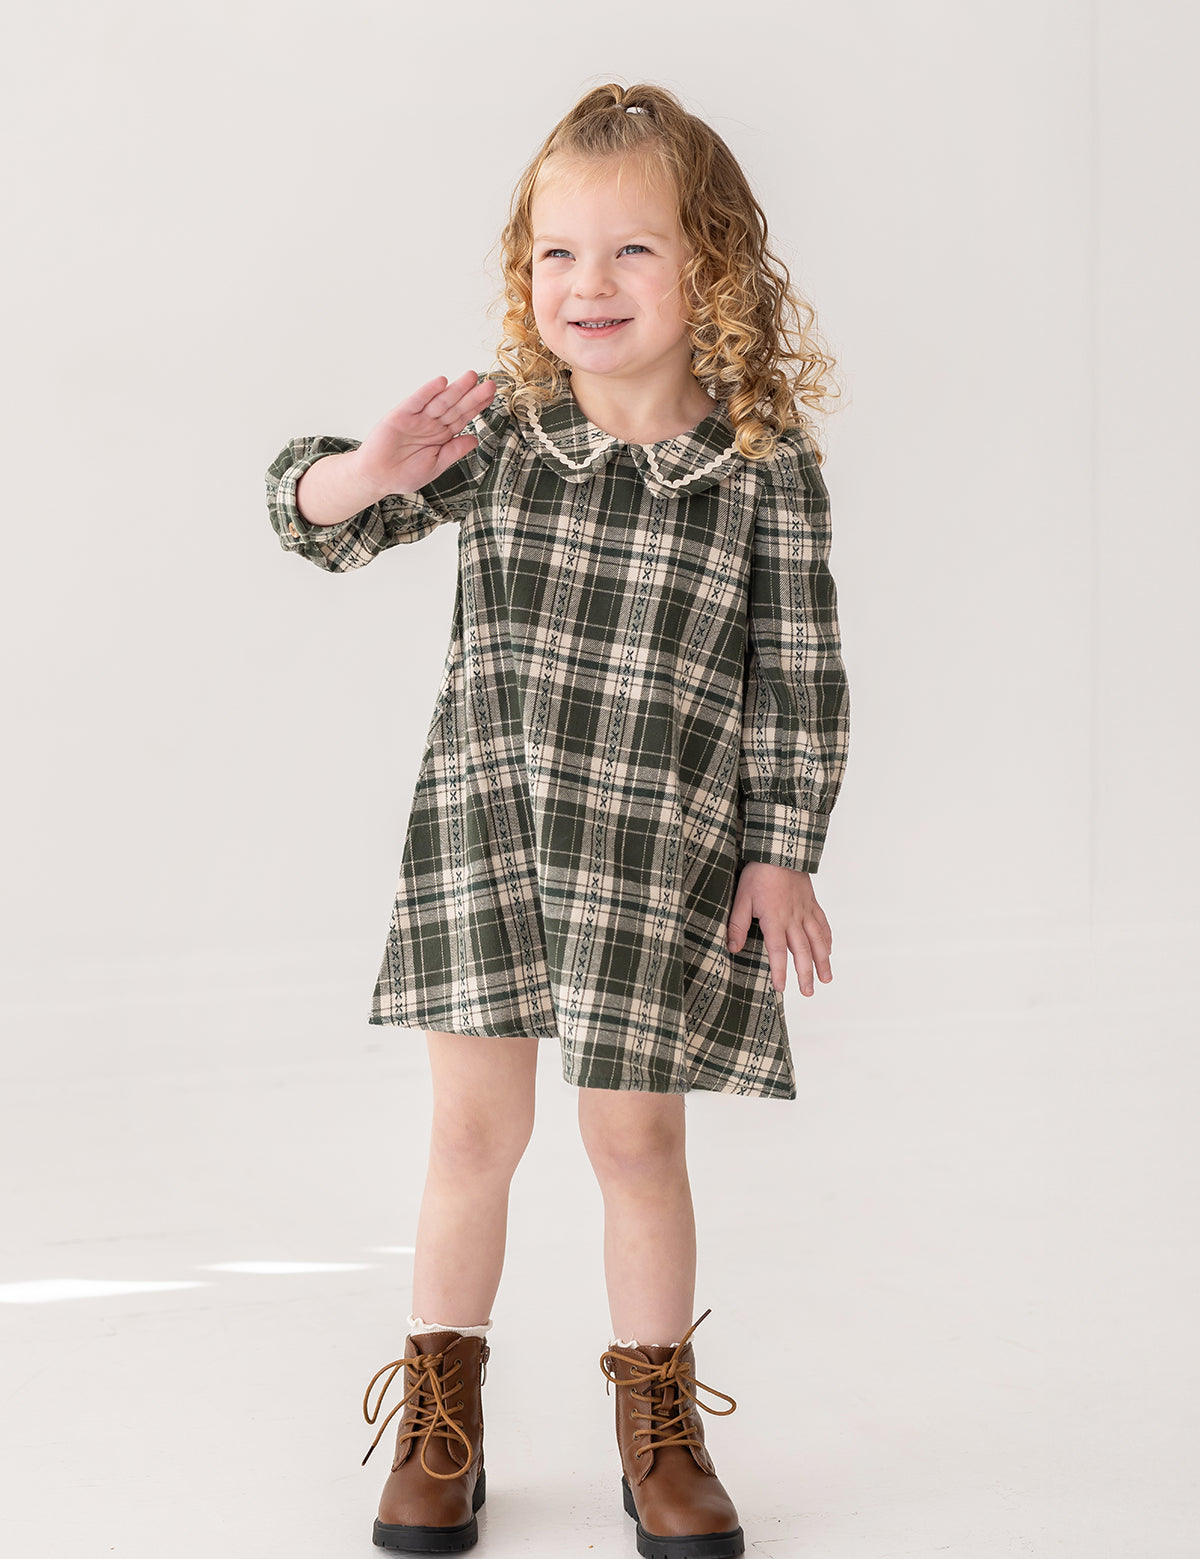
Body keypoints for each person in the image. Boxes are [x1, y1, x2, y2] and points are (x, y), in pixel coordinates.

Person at [264, 81, 850, 1558]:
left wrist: (782, 848)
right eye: (555, 256)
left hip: (661, 857)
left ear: (710, 267)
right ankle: (438, 1419)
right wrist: (369, 469)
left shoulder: (762, 468)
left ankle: (659, 1430)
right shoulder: (507, 438)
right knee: (473, 1134)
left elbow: (802, 675)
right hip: (494, 838)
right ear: (524, 277)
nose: (588, 286)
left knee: (636, 1144)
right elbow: (311, 519)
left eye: (632, 252)